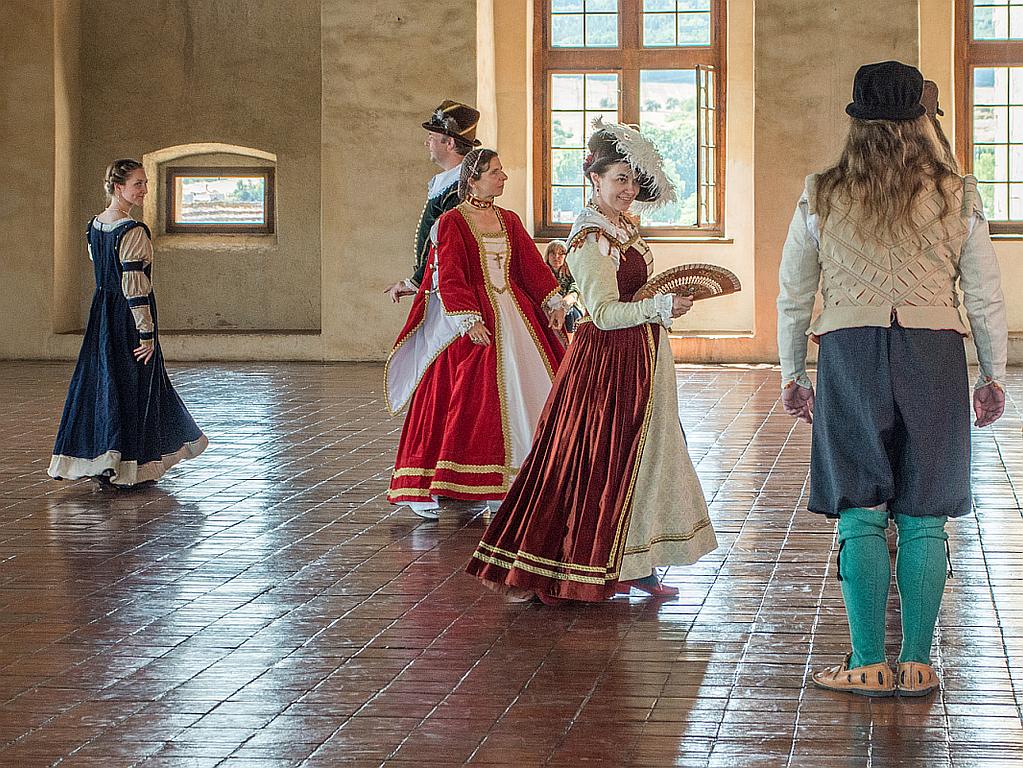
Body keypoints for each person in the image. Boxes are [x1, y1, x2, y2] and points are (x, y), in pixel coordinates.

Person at [777, 61, 1007, 697]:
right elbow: (984, 295)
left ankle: (868, 662)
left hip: (849, 352)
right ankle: (919, 661)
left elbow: (794, 294)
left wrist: (793, 371)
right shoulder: (957, 194)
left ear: (856, 120)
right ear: (919, 121)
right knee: (925, 511)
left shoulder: (821, 192)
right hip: (934, 353)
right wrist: (992, 374)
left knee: (859, 508)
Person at [466, 119, 718, 603]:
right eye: (619, 179)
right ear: (594, 179)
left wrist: (658, 308)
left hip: (639, 357)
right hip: (607, 366)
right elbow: (602, 313)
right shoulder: (588, 235)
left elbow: (632, 295)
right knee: (599, 462)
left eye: (633, 180)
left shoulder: (623, 227)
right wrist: (660, 307)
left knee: (642, 460)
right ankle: (570, 565)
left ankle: (635, 561)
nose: (628, 189)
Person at [385, 149, 567, 519]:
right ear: (473, 178)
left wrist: (553, 302)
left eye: (502, 171)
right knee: (456, 400)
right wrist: (469, 320)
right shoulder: (453, 221)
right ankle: (432, 485)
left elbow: (531, 267)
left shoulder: (509, 220)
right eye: (495, 172)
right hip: (470, 318)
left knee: (530, 389)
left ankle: (514, 483)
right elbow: (452, 275)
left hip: (515, 314)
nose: (503, 177)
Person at [48, 159, 208, 487]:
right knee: (135, 388)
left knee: (104, 383)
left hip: (102, 316)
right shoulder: (132, 231)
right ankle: (129, 469)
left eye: (145, 183)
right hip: (126, 319)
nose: (145, 189)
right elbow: (134, 288)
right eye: (138, 184)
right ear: (118, 187)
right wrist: (146, 333)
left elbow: (102, 269)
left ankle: (108, 462)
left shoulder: (95, 226)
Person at [384, 100, 481, 303]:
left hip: (450, 288)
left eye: (431, 137)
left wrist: (415, 281)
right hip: (437, 283)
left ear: (450, 143)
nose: (426, 143)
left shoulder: (458, 188)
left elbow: (446, 244)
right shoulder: (449, 183)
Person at [544, 240, 583, 333]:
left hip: (568, 306)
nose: (556, 257)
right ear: (547, 256)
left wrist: (562, 306)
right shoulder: (542, 273)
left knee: (570, 314)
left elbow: (574, 292)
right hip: (548, 306)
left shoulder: (572, 272)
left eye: (561, 253)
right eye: (553, 253)